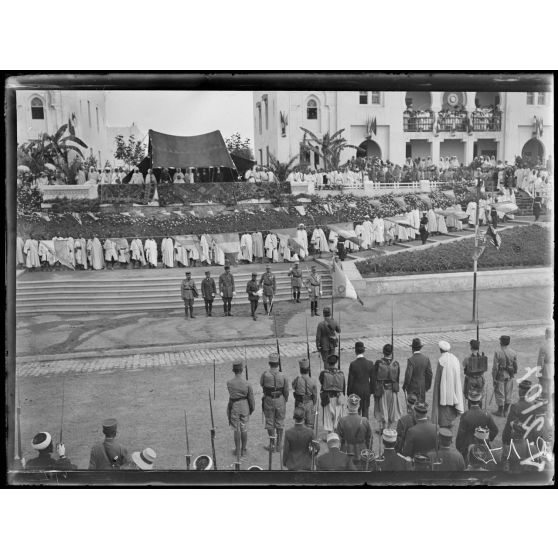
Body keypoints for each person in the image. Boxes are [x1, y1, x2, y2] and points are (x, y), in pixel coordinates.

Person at [456, 388, 498, 459]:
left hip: (468, 446)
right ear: (480, 401)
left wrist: (459, 448)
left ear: (469, 401)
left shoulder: (465, 415)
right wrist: (487, 438)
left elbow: (460, 435)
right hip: (483, 444)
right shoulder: (486, 414)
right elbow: (495, 430)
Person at [260, 353, 289, 453]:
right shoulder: (283, 375)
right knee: (280, 421)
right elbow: (286, 390)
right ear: (278, 364)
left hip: (269, 400)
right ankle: (279, 445)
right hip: (280, 399)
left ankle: (272, 444)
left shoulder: (265, 374)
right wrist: (285, 400)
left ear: (269, 363)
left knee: (270, 421)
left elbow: (261, 384)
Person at [431, 341, 464, 429]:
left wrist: (436, 393)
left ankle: (445, 426)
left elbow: (438, 380)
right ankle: (449, 423)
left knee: (444, 407)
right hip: (453, 387)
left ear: (440, 350)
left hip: (444, 390)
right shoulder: (455, 359)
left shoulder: (441, 361)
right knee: (451, 406)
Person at [227, 359, 255, 458]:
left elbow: (231, 396)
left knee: (236, 429)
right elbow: (251, 398)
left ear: (233, 370)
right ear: (242, 370)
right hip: (244, 407)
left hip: (234, 406)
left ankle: (237, 450)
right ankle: (243, 449)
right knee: (244, 428)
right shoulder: (247, 383)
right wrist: (251, 409)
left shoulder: (229, 383)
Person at [336, 394, 372, 469]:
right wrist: (368, 451)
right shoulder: (365, 421)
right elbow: (370, 440)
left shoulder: (342, 421)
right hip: (362, 453)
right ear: (358, 406)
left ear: (348, 406)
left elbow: (338, 440)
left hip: (346, 453)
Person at [373, 343, 402, 430]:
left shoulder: (378, 363)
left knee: (382, 408)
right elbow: (397, 378)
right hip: (392, 389)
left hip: (382, 389)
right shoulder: (396, 364)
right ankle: (389, 427)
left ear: (383, 352)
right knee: (391, 409)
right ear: (391, 352)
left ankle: (383, 427)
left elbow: (374, 377)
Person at [319, 354, 346, 437]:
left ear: (328, 363)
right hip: (338, 397)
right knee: (337, 417)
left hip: (328, 398)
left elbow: (321, 381)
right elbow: (344, 386)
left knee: (328, 417)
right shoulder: (341, 373)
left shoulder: (323, 373)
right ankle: (336, 435)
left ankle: (330, 436)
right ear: (336, 363)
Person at [501, 380, 535, 445]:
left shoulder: (515, 406)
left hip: (518, 439)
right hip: (530, 440)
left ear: (519, 391)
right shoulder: (534, 405)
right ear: (530, 392)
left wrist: (505, 440)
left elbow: (509, 426)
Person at [347, 341, 374, 419]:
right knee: (365, 412)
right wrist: (371, 390)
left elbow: (350, 381)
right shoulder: (370, 363)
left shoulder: (353, 364)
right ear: (364, 351)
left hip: (356, 391)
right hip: (366, 390)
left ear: (355, 351)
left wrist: (349, 393)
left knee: (356, 412)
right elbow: (372, 380)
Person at [492, 335, 517, 417]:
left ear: (501, 342)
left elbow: (495, 367)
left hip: (500, 375)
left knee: (500, 393)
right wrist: (513, 373)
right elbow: (515, 365)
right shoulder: (513, 352)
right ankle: (506, 411)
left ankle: (500, 411)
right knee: (508, 392)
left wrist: (494, 377)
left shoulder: (497, 352)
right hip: (509, 375)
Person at [403, 338, 433, 402]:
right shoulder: (426, 359)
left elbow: (408, 376)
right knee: (421, 408)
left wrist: (405, 386)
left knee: (412, 408)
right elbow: (430, 374)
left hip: (412, 388)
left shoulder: (411, 360)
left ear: (412, 349)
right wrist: (427, 386)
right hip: (422, 387)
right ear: (420, 348)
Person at [292, 358, 318, 429]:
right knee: (310, 425)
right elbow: (315, 395)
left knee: (299, 424)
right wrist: (313, 403)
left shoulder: (297, 380)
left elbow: (293, 386)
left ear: (300, 370)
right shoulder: (313, 381)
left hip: (299, 403)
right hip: (309, 403)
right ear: (308, 370)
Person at [462, 339, 488, 408]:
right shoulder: (482, 357)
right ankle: (480, 411)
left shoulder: (468, 358)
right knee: (479, 396)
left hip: (471, 379)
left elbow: (464, 364)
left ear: (471, 347)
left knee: (471, 396)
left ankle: (471, 412)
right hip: (480, 379)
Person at [537, 327, 554, 401]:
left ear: (546, 334)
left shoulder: (544, 346)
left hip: (547, 371)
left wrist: (538, 373)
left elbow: (540, 362)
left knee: (545, 391)